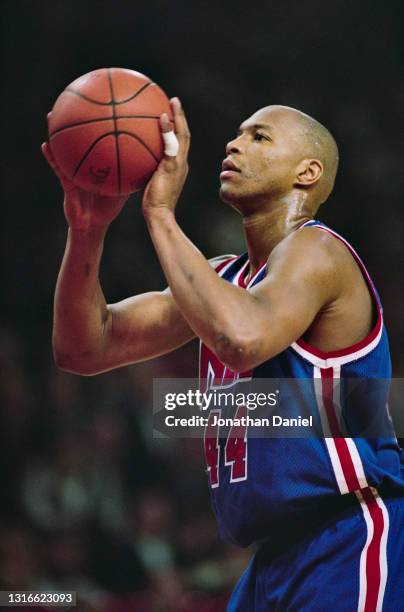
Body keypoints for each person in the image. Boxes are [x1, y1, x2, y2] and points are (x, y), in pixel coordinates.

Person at [42, 99, 404, 611]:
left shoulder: (320, 251)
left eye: (259, 137)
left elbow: (242, 337)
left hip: (349, 536)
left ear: (308, 171)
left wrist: (160, 213)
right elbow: (83, 347)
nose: (234, 144)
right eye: (237, 134)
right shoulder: (220, 281)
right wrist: (87, 229)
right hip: (270, 561)